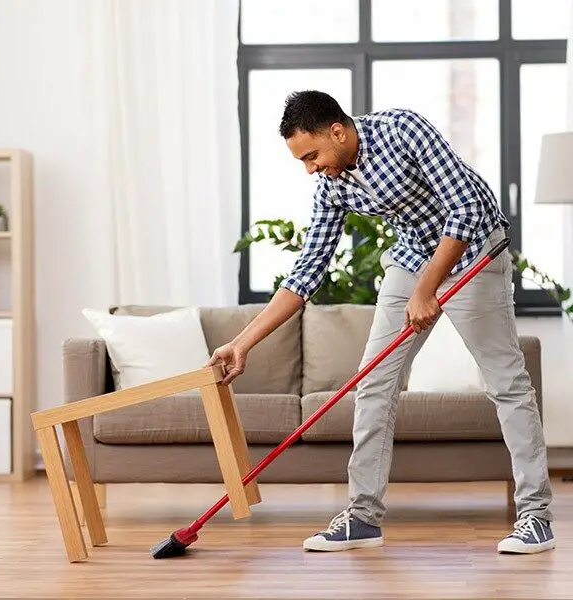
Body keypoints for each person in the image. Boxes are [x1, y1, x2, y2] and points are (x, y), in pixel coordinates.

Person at [208, 90, 554, 555]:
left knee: (507, 383)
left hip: (474, 249)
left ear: (337, 130)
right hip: (413, 258)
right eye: (302, 162)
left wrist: (426, 289)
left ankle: (536, 516)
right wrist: (242, 343)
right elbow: (306, 272)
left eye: (312, 155)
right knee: (372, 384)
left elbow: (467, 209)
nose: (311, 169)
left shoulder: (401, 130)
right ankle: (363, 517)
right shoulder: (333, 184)